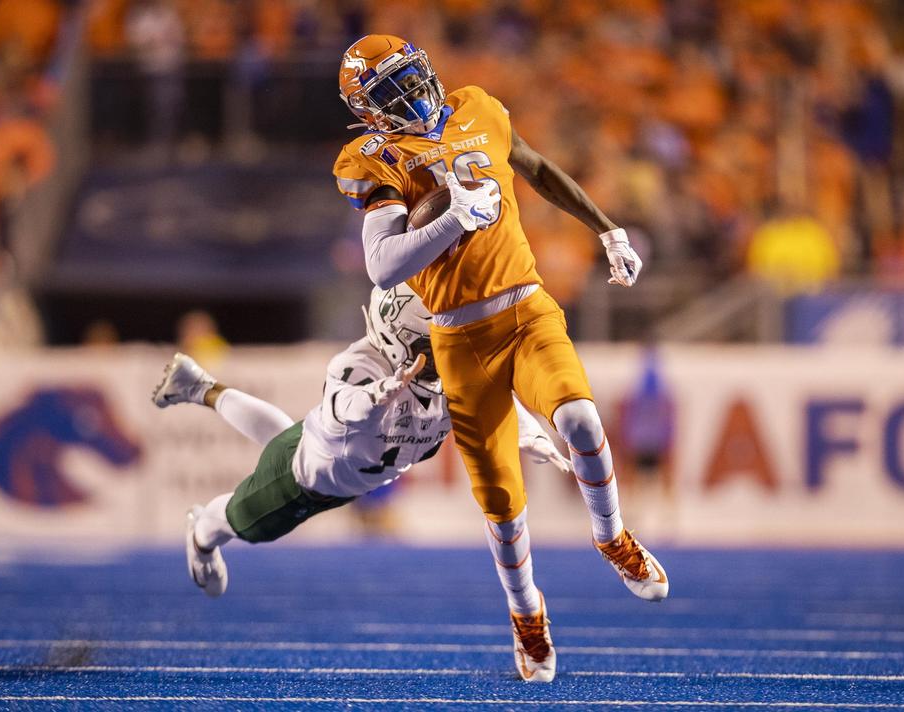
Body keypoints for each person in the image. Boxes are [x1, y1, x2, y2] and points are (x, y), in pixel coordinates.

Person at [332, 34, 669, 682]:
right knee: (503, 504)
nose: (407, 95)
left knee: (581, 423)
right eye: (387, 91)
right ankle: (528, 615)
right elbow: (381, 266)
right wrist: (453, 217)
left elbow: (536, 167)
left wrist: (605, 226)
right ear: (366, 112)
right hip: (458, 337)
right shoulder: (374, 158)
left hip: (528, 308)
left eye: (408, 77)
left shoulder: (479, 107)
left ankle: (613, 537)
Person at [152, 283, 572, 598]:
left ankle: (200, 387)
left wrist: (529, 432)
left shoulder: (444, 371)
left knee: (283, 441)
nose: (453, 351)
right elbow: (342, 407)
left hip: (331, 463)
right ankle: (201, 533)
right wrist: (375, 396)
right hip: (304, 483)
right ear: (401, 338)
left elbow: (487, 393)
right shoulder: (360, 364)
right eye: (439, 343)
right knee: (249, 526)